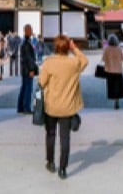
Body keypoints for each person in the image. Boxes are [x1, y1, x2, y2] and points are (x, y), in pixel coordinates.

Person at [36, 34, 89, 179]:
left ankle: (50, 162)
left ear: (55, 47)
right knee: (65, 138)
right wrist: (74, 48)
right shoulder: (74, 63)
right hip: (67, 107)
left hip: (51, 106)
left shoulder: (49, 63)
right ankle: (63, 169)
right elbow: (85, 60)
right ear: (67, 47)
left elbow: (41, 83)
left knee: (50, 134)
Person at [100, 34, 123, 109]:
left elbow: (103, 59)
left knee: (112, 87)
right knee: (118, 87)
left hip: (109, 71)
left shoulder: (106, 49)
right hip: (118, 71)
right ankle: (117, 101)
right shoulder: (119, 49)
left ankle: (114, 99)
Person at [16, 24, 39, 114]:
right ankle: (26, 107)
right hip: (27, 69)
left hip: (24, 69)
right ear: (26, 31)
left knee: (24, 87)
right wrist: (31, 69)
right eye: (30, 29)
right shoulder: (26, 43)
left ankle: (20, 107)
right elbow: (29, 58)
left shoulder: (25, 42)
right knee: (28, 88)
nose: (31, 31)